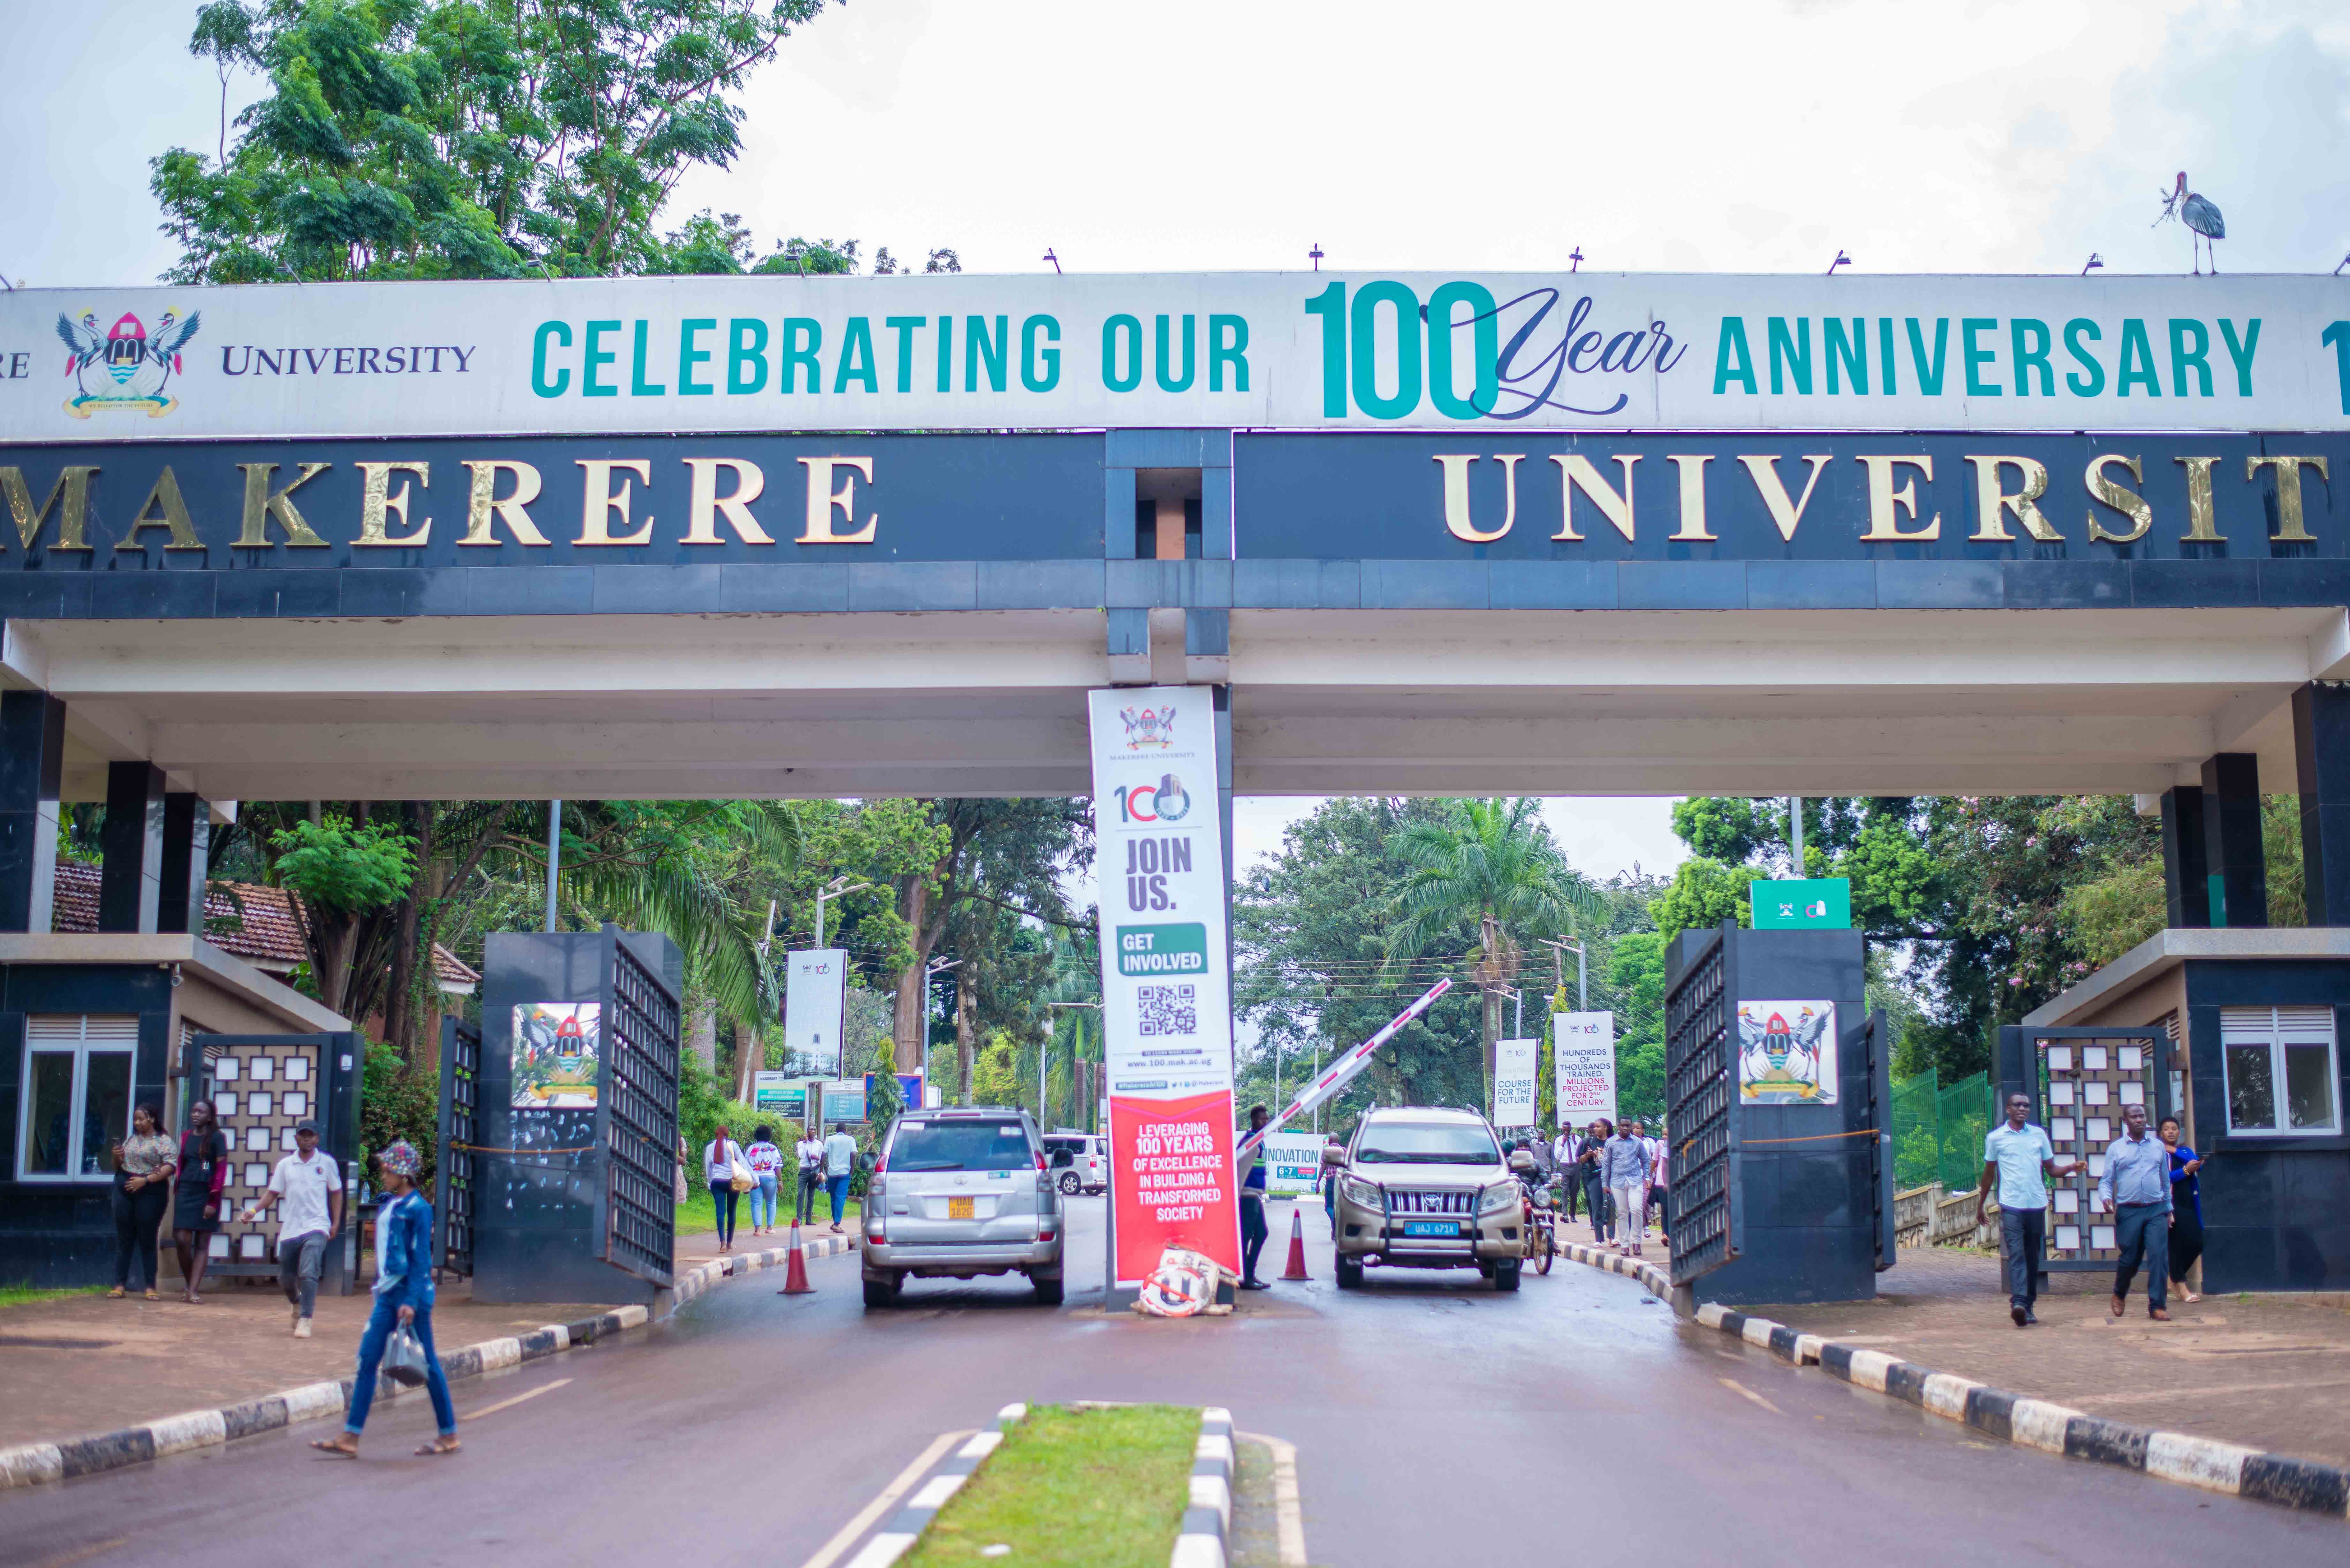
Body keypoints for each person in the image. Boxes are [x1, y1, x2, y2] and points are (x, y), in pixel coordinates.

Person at [311, 1140, 458, 1460]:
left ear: (404, 1174)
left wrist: (412, 1300)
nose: (384, 1173)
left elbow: (421, 1259)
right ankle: (350, 1436)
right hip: (388, 1295)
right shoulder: (390, 1205)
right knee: (367, 1359)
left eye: (388, 1169)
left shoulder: (419, 1209)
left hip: (410, 1296)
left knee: (429, 1364)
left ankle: (449, 1434)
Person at [1976, 1091, 2085, 1328]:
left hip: (2036, 1204)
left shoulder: (2039, 1135)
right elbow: (1988, 1174)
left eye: (2027, 1105)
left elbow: (2052, 1170)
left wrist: (2071, 1168)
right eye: (2018, 1105)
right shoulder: (1996, 1138)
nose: (2023, 1109)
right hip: (2011, 1205)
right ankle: (2018, 1303)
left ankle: (2029, 1306)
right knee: (2016, 1254)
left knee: (2033, 1257)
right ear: (2008, 1109)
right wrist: (1981, 1204)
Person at [239, 1119, 343, 1338]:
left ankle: (306, 1319)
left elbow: (337, 1192)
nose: (307, 1138)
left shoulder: (327, 1163)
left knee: (308, 1272)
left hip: (317, 1225)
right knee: (285, 1278)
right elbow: (273, 1193)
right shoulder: (286, 1165)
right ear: (296, 1138)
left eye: (311, 1135)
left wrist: (335, 1222)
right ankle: (296, 1302)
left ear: (317, 1138)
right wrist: (254, 1211)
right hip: (291, 1228)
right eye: (303, 1135)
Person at [2100, 1102, 2173, 1321]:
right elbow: (2107, 1181)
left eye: (2142, 1116)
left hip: (2156, 1209)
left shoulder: (2158, 1147)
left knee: (2159, 1257)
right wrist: (2106, 1198)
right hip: (2129, 1211)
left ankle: (2158, 1306)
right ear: (2126, 1121)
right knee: (2130, 1260)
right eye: (2134, 1117)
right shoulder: (2116, 1149)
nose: (2140, 1120)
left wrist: (2169, 1209)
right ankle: (2119, 1292)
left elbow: (2165, 1180)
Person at [109, 1104, 176, 1300]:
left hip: (150, 1192)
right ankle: (119, 1285)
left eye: (141, 1119)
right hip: (124, 1189)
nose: (137, 1123)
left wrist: (144, 1181)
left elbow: (170, 1168)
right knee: (124, 1238)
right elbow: (117, 1167)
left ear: (152, 1120)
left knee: (147, 1238)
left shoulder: (164, 1142)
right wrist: (117, 1158)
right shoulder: (131, 1140)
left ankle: (150, 1287)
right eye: (135, 1120)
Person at [171, 1099, 229, 1304]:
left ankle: (193, 1291)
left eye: (201, 1112)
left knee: (202, 1243)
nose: (195, 1115)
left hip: (206, 1192)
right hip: (186, 1191)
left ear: (210, 1117)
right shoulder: (186, 1136)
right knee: (182, 1240)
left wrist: (213, 1201)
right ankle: (190, 1285)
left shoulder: (218, 1138)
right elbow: (182, 1163)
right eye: (194, 1111)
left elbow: (221, 1170)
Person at [2161, 1115, 2204, 1303]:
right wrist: (2186, 1171)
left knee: (2197, 1243)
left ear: (2179, 1132)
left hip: (2189, 1206)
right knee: (2175, 1248)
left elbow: (2197, 1165)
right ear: (2160, 1133)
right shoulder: (2158, 1154)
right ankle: (2183, 1288)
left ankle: (2174, 1277)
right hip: (2169, 1207)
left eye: (2174, 1129)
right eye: (2166, 1129)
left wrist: (2174, 1151)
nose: (2171, 1132)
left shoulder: (2184, 1151)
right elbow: (2163, 1178)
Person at [1237, 1104, 1272, 1289]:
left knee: (1261, 1233)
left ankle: (1249, 1274)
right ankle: (1245, 1277)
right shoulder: (1250, 1141)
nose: (1265, 1122)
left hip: (1254, 1194)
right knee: (1248, 1235)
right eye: (1262, 1119)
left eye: (1267, 1119)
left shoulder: (1259, 1140)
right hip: (1248, 1195)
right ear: (1253, 1120)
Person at [1604, 1120, 1650, 1255]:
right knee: (1623, 1213)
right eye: (1623, 1126)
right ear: (1618, 1127)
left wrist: (1647, 1177)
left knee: (1637, 1210)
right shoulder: (1611, 1142)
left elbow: (1646, 1161)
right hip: (1617, 1182)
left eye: (1628, 1126)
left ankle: (1637, 1242)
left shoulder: (1637, 1142)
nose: (1625, 1128)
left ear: (1631, 1127)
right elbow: (1606, 1164)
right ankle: (1625, 1244)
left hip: (1635, 1180)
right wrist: (1604, 1184)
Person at [703, 1123, 744, 1253]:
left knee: (720, 1212)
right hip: (732, 1182)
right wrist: (753, 1180)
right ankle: (730, 1244)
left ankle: (722, 1244)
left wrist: (711, 1183)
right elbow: (743, 1162)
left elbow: (708, 1168)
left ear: (716, 1134)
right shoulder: (732, 1145)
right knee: (732, 1212)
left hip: (717, 1182)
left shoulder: (710, 1148)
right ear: (728, 1135)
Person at [744, 1124, 783, 1237]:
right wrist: (780, 1181)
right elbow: (778, 1167)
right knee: (771, 1202)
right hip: (770, 1177)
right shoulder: (773, 1148)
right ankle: (770, 1228)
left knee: (756, 1203)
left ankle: (757, 1230)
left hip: (755, 1178)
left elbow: (746, 1165)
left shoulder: (751, 1148)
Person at [1580, 1119, 1613, 1244]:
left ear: (1606, 1128)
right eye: (1594, 1127)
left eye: (1598, 1127)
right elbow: (1581, 1160)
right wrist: (1588, 1155)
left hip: (1610, 1177)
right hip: (1594, 1177)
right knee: (1596, 1206)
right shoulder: (1589, 1142)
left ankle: (1612, 1237)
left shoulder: (1612, 1141)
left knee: (1611, 1206)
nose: (1595, 1129)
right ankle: (1599, 1239)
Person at [822, 1122, 858, 1233]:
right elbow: (854, 1155)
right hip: (844, 1173)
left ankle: (835, 1222)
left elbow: (823, 1155)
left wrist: (821, 1171)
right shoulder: (851, 1140)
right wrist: (852, 1171)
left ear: (836, 1130)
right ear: (845, 1130)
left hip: (832, 1173)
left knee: (834, 1198)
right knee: (841, 1198)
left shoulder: (830, 1139)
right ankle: (837, 1223)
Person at [794, 1124, 826, 1227]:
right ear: (807, 1131)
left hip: (815, 1171)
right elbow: (802, 1156)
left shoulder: (819, 1144)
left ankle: (809, 1219)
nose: (813, 1131)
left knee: (811, 1196)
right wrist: (805, 1143)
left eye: (815, 1129)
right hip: (804, 1171)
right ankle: (799, 1218)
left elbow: (822, 1159)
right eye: (811, 1130)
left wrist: (821, 1172)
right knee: (800, 1195)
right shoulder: (801, 1144)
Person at [1552, 1124, 1582, 1220]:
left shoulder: (1577, 1139)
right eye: (1565, 1130)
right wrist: (1563, 1144)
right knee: (1565, 1191)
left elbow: (1580, 1153)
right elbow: (1557, 1157)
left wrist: (1574, 1142)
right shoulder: (1559, 1140)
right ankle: (1565, 1215)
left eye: (1568, 1130)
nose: (1566, 1132)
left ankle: (1573, 1216)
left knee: (1574, 1192)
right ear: (1562, 1129)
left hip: (1576, 1166)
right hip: (1565, 1166)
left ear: (1571, 1129)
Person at [1648, 1130, 1671, 1240]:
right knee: (1666, 1208)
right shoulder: (1660, 1144)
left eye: (1667, 1134)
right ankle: (1665, 1234)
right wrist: (1650, 1177)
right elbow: (1655, 1161)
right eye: (1663, 1134)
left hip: (1675, 1181)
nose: (1665, 1136)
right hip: (1662, 1181)